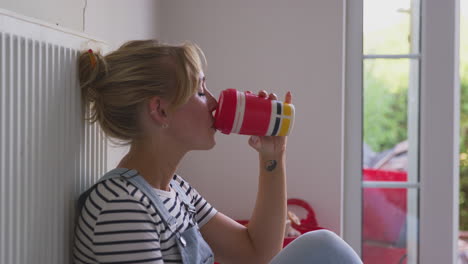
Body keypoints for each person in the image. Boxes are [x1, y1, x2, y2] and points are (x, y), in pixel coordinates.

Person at [73, 39, 362, 264]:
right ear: (160, 110)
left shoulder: (176, 191)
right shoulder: (121, 207)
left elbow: (257, 253)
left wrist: (273, 155)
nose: (213, 102)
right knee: (324, 248)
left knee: (324, 247)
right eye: (200, 92)